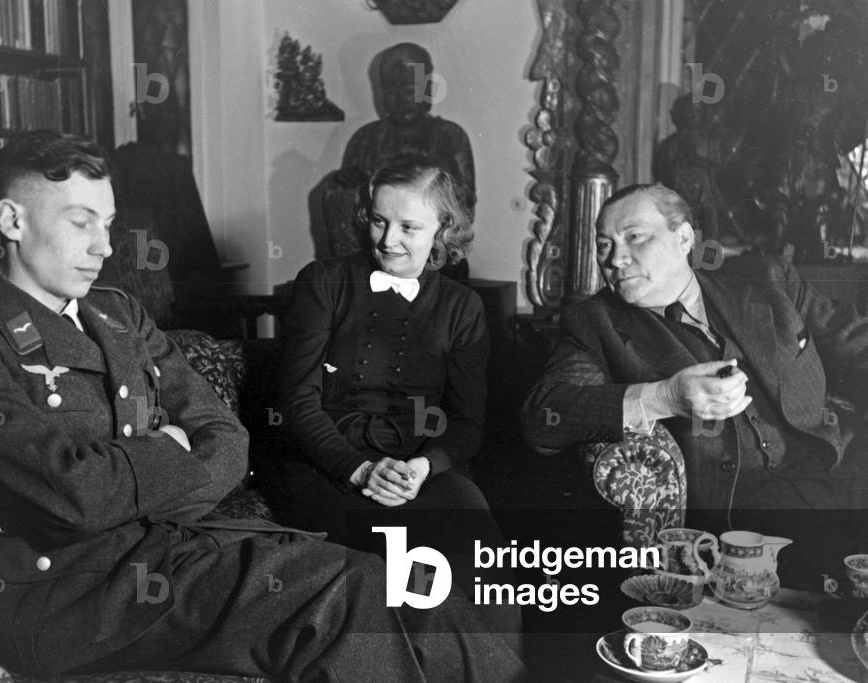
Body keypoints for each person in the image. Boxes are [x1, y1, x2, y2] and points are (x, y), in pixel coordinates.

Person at [0, 131, 526, 682]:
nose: (103, 246)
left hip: (175, 551)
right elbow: (78, 496)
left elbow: (228, 443)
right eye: (81, 223)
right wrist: (170, 447)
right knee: (352, 595)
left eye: (109, 223)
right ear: (11, 220)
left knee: (415, 594)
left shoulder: (118, 312)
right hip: (76, 595)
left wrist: (153, 464)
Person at [520, 183, 868, 586]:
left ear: (683, 238)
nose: (615, 258)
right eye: (603, 245)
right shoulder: (595, 322)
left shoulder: (768, 280)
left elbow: (857, 342)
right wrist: (665, 397)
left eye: (635, 237)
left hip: (842, 467)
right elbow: (543, 416)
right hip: (745, 511)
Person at [277, 156, 520, 638]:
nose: (388, 240)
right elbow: (297, 400)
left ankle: (504, 668)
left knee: (481, 555)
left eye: (409, 227)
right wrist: (359, 469)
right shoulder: (322, 282)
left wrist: (424, 467)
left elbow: (468, 423)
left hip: (419, 467)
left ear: (443, 229)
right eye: (379, 221)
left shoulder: (463, 308)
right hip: (328, 463)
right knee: (389, 565)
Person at [323, 42, 474, 280]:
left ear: (427, 90)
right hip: (378, 252)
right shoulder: (366, 138)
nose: (400, 100)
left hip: (432, 254)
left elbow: (464, 202)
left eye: (408, 90)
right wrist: (347, 183)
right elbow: (352, 208)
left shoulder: (449, 136)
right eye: (390, 91)